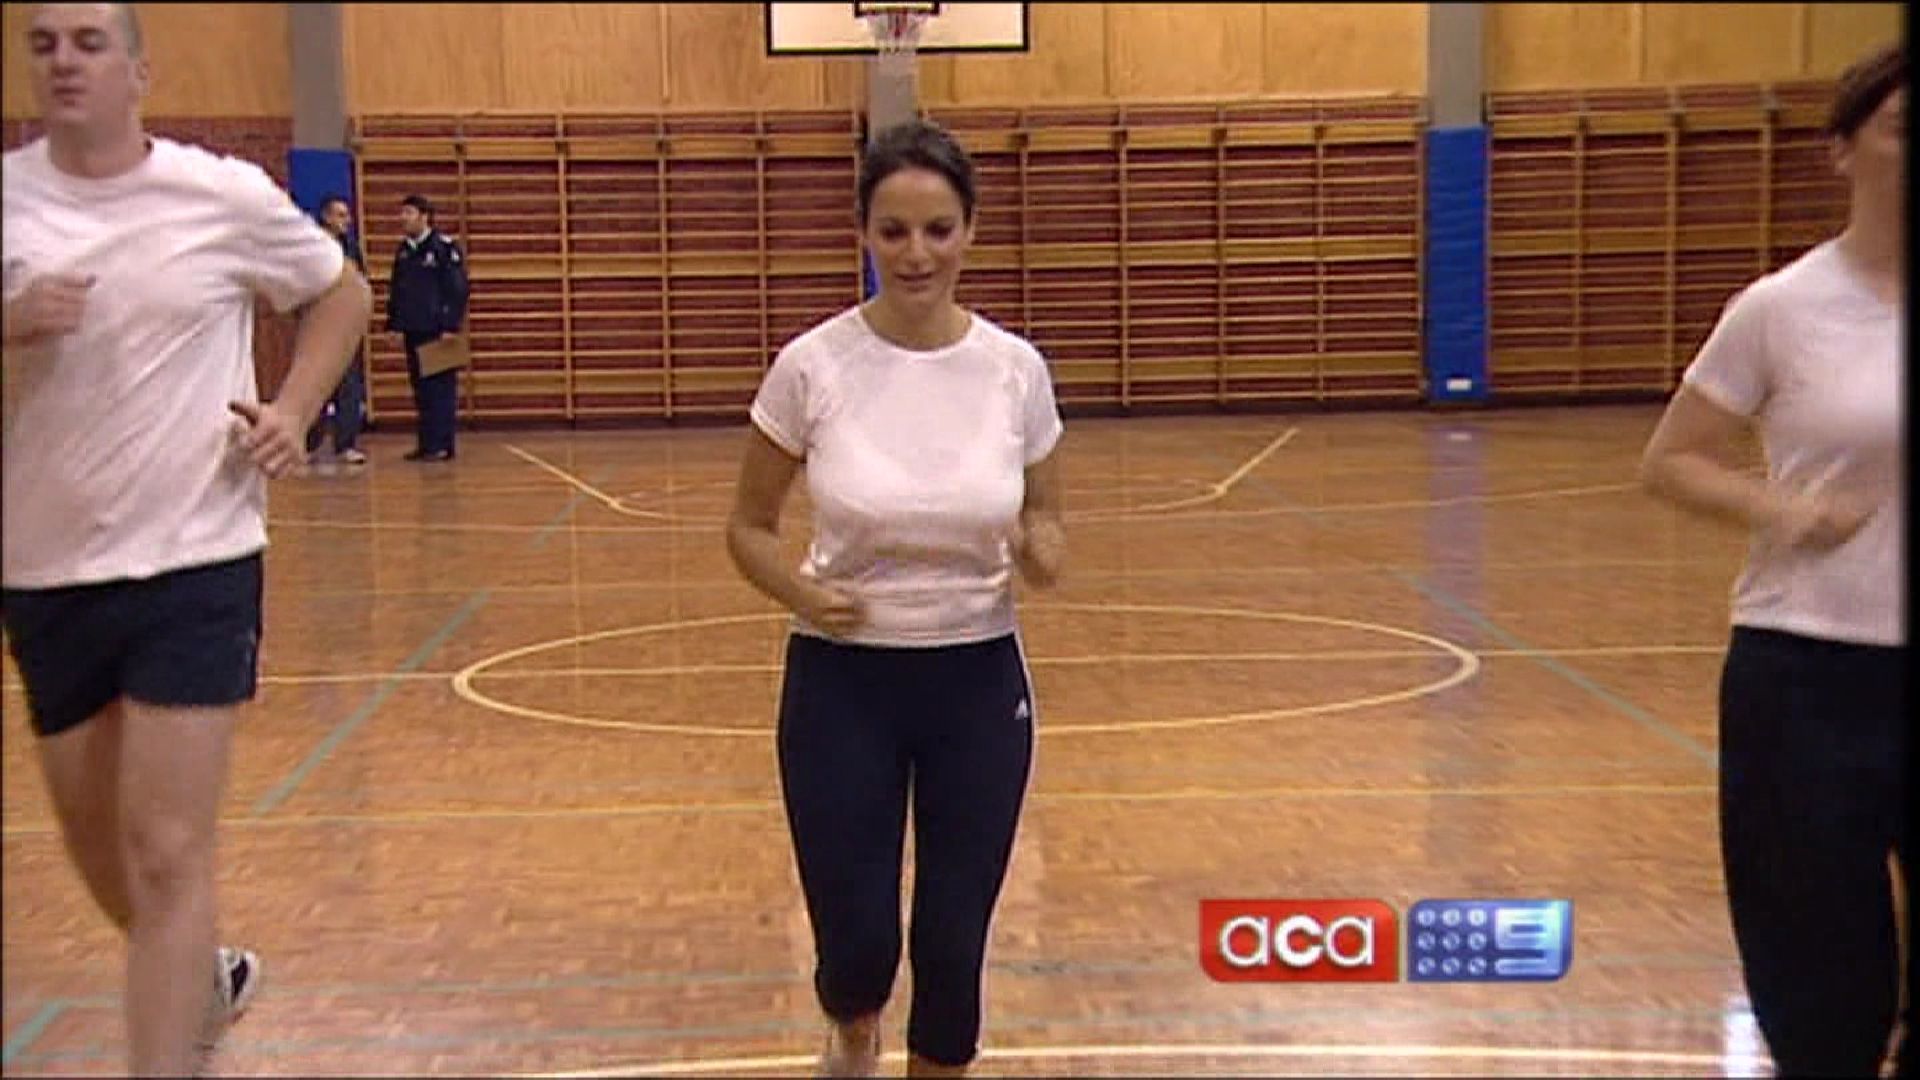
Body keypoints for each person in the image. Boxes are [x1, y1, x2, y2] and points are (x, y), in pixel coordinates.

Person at [0, 2, 373, 1075]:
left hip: (197, 560)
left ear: (140, 70)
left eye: (89, 42)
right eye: (44, 43)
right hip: (45, 565)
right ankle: (203, 975)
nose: (65, 61)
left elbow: (340, 294)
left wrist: (294, 410)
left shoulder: (219, 196)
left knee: (166, 852)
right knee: (104, 855)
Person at [725, 119, 1066, 1079]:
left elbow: (1047, 516)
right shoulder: (812, 366)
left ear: (970, 232)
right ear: (865, 234)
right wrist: (802, 591)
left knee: (954, 948)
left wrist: (1041, 552)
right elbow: (747, 526)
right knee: (858, 944)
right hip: (842, 687)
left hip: (977, 683)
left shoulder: (1015, 370)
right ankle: (851, 1024)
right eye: (894, 230)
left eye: (938, 229)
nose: (917, 253)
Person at [1638, 42, 1906, 1079]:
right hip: (1808, 675)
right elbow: (1672, 462)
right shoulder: (1783, 309)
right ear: (1842, 151)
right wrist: (1783, 510)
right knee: (1822, 991)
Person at [385, 192, 467, 462]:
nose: (403, 218)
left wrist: (451, 325)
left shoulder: (444, 248)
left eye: (409, 213)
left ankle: (443, 444)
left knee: (441, 389)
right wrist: (393, 324)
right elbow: (397, 290)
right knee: (421, 390)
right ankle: (427, 443)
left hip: (439, 330)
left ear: (425, 217)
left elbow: (457, 289)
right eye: (402, 213)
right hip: (414, 329)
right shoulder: (404, 251)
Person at [306, 193, 369, 466]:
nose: (347, 221)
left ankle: (346, 444)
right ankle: (308, 444)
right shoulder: (311, 247)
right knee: (314, 386)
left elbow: (360, 281)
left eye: (347, 215)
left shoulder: (350, 248)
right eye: (340, 215)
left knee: (349, 387)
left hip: (345, 327)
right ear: (326, 217)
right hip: (315, 326)